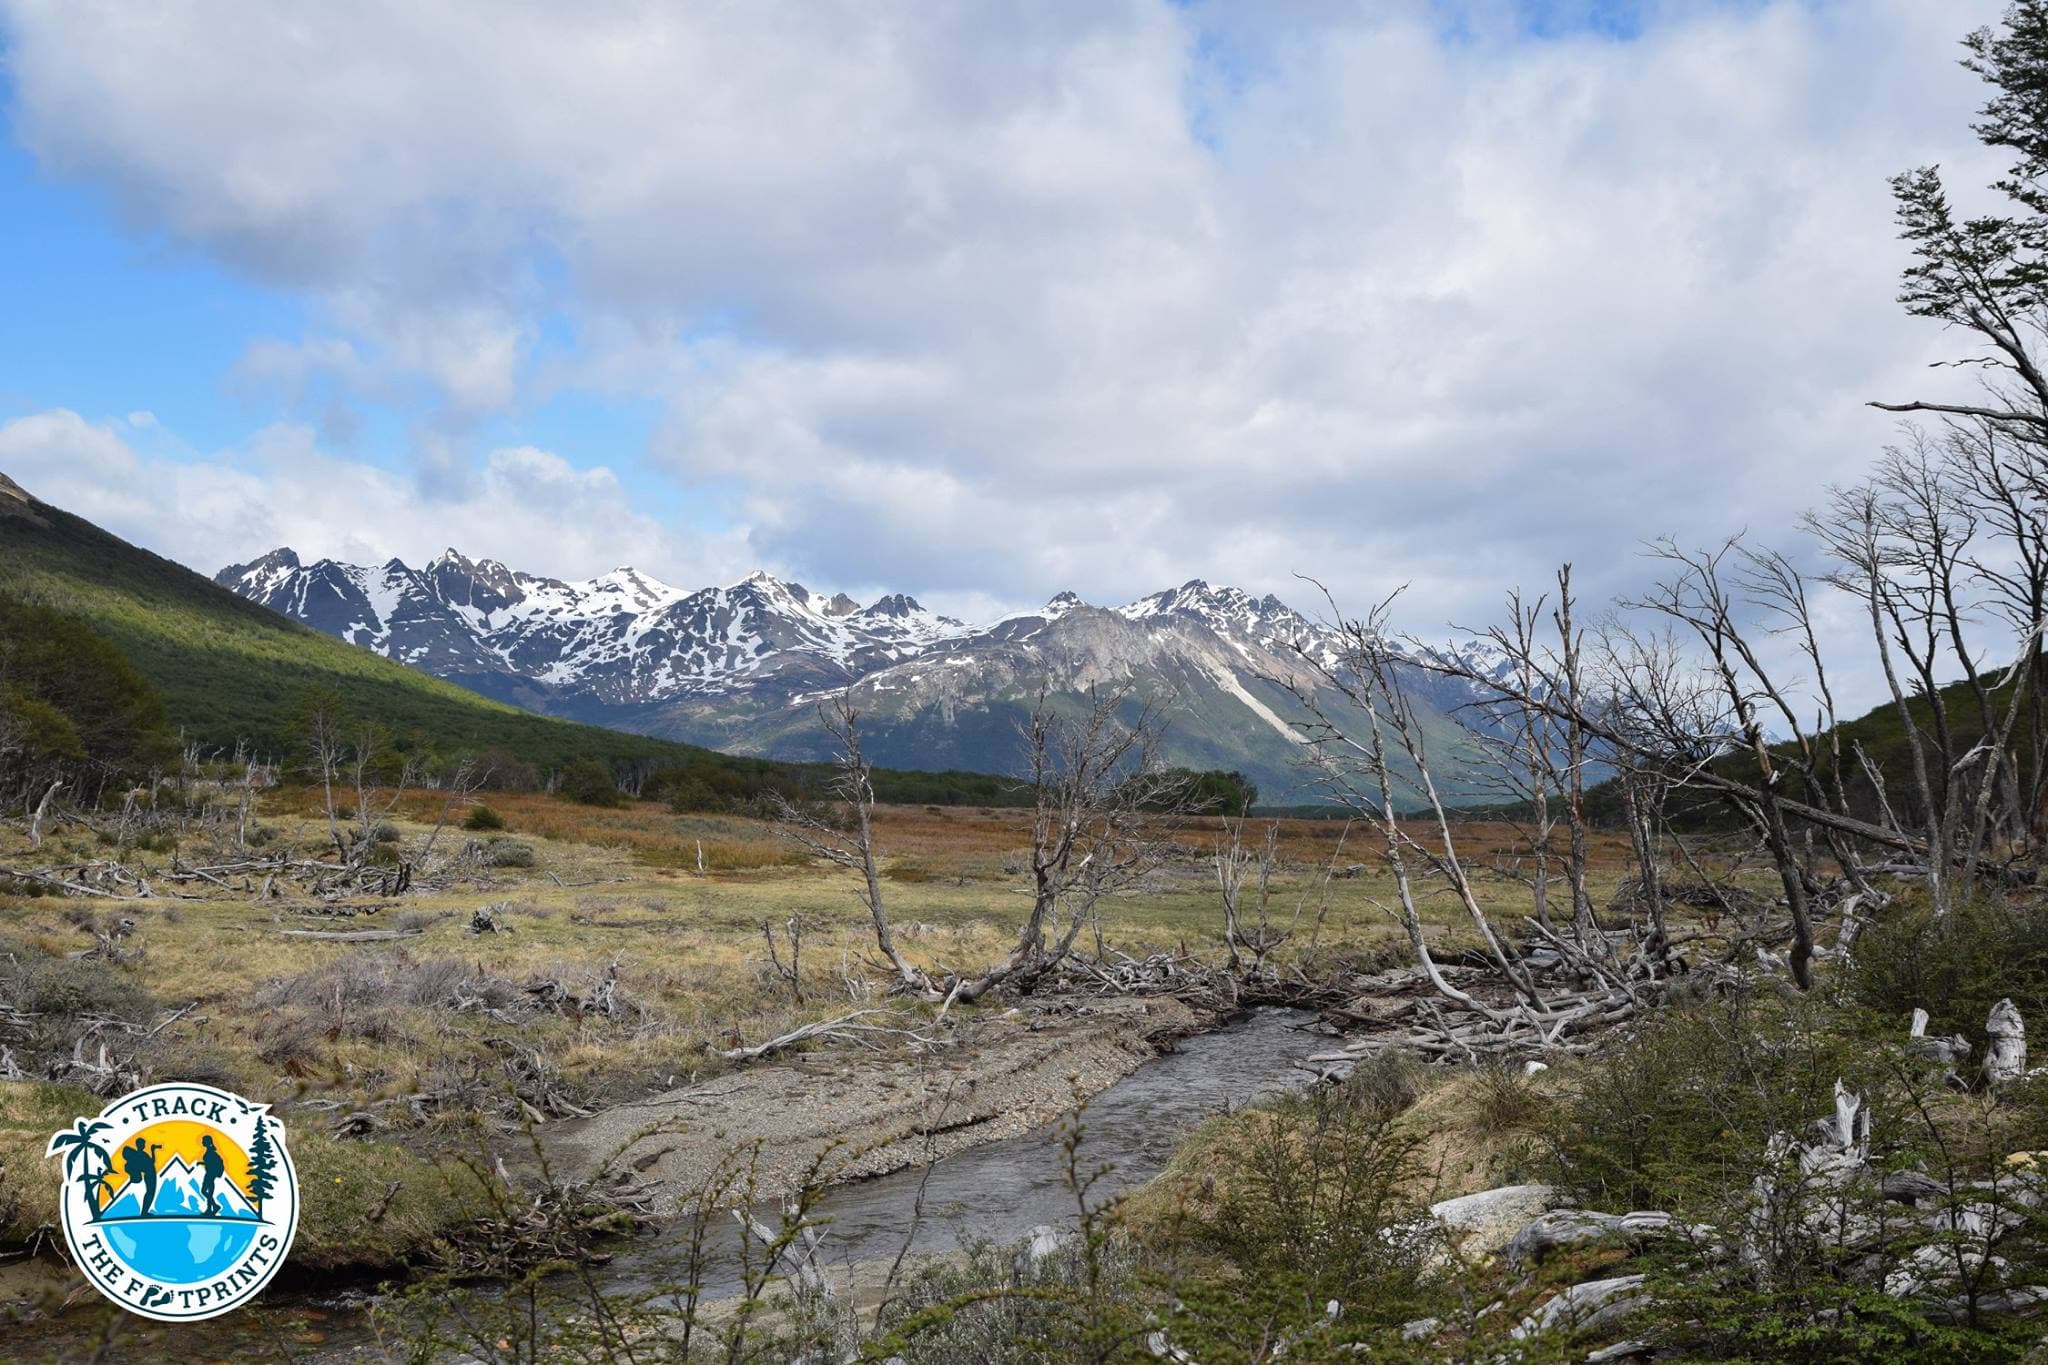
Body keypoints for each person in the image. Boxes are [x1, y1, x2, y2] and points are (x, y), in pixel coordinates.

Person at [119, 1137, 159, 1217]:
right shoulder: (140, 1155)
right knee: (150, 1193)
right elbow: (151, 1163)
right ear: (139, 1145)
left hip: (150, 1174)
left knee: (150, 1193)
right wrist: (152, 1150)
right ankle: (144, 1212)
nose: (144, 1145)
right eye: (143, 1144)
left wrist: (152, 1150)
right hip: (150, 1175)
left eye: (144, 1144)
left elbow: (151, 1162)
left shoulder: (140, 1154)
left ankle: (144, 1212)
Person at [198, 1135, 226, 1217]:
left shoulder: (210, 1152)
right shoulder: (210, 1151)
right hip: (210, 1174)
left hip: (210, 1174)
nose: (202, 1142)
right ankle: (211, 1208)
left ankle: (213, 1207)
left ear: (207, 1142)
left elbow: (211, 1163)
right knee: (209, 1193)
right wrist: (202, 1163)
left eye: (203, 1140)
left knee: (204, 1191)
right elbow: (209, 1162)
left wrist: (204, 1163)